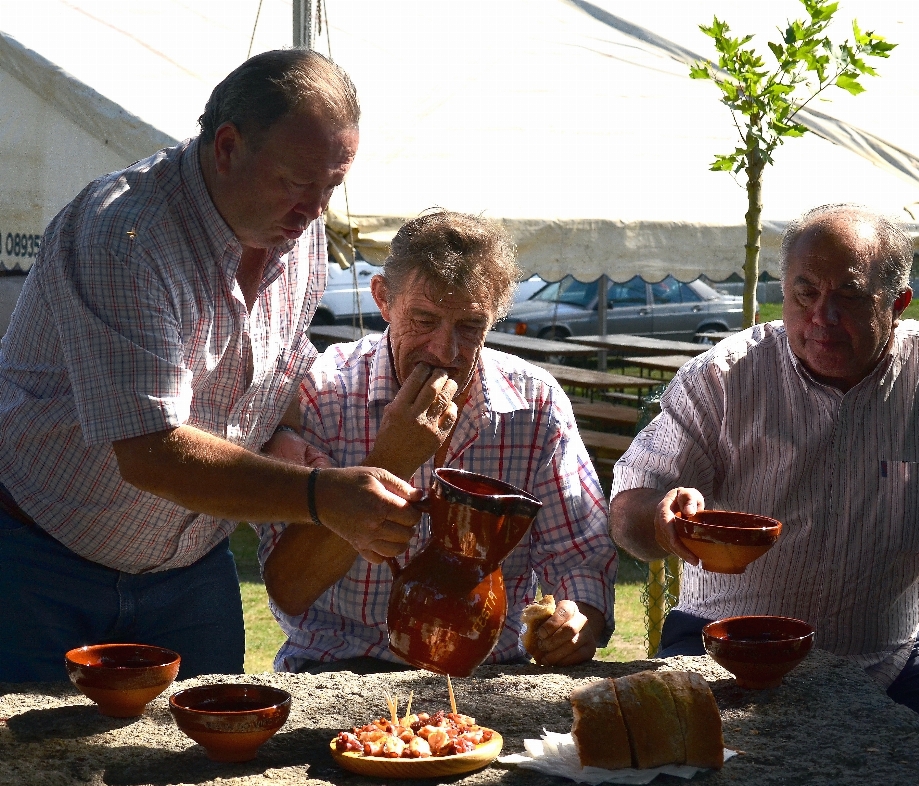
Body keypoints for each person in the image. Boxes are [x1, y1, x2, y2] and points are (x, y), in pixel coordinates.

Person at [0, 50, 424, 682]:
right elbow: (150, 451)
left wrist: (278, 433)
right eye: (296, 181)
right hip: (41, 561)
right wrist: (317, 496)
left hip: (191, 571)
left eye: (330, 186)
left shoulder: (293, 228)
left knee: (211, 771)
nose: (314, 209)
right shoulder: (126, 233)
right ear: (227, 146)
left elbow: (259, 366)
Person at [609, 204, 919, 746]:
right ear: (782, 291)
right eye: (805, 292)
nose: (823, 316)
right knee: (675, 758)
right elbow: (627, 515)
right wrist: (661, 523)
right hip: (721, 646)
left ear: (898, 304)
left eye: (850, 295)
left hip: (895, 653)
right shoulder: (724, 378)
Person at [256, 209, 617, 674]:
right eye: (424, 320)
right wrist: (393, 458)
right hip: (339, 665)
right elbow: (288, 586)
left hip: (488, 672)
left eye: (469, 327)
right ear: (384, 300)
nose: (444, 352)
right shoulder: (322, 392)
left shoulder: (535, 402)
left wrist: (580, 615)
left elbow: (580, 552)